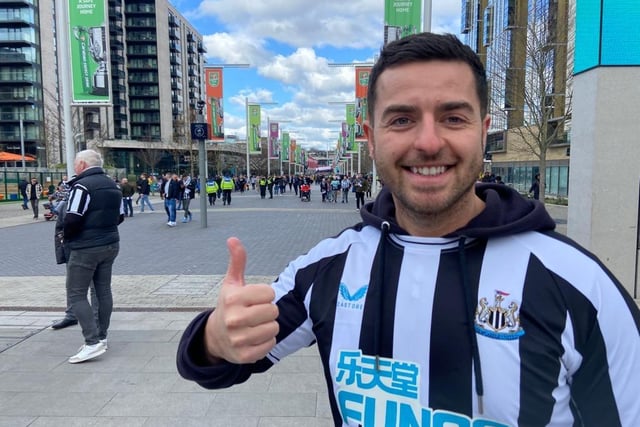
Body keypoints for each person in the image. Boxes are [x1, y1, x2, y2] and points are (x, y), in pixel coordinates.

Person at [176, 33, 640, 426]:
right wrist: (216, 337)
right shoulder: (328, 268)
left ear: (484, 131)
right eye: (402, 119)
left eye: (453, 118)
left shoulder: (578, 284)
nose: (428, 141)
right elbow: (221, 362)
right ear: (371, 137)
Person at [64, 149, 123, 364]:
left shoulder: (82, 186)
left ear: (81, 164)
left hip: (86, 247)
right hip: (110, 243)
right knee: (102, 290)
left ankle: (92, 342)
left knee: (76, 294)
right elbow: (121, 216)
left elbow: (72, 218)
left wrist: (66, 239)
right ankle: (101, 336)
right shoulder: (113, 185)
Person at [50, 199, 99, 331]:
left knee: (96, 285)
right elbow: (60, 227)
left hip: (92, 249)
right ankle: (72, 315)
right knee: (72, 284)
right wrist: (62, 249)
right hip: (71, 249)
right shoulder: (68, 202)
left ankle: (97, 319)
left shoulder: (97, 200)